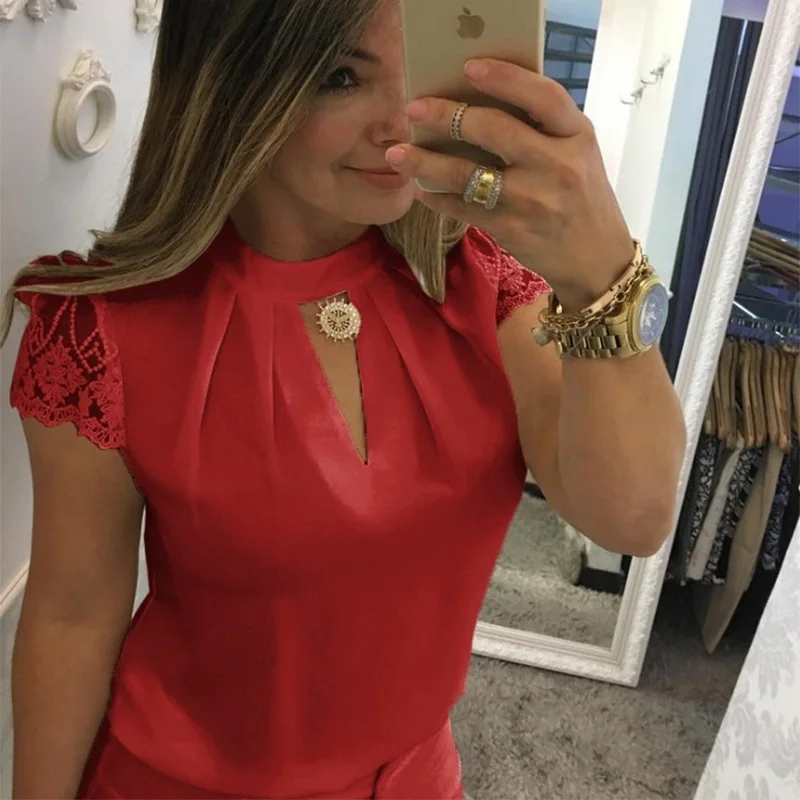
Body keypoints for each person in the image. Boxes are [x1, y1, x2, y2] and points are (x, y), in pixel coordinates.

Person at [4, 1, 686, 798]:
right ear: (233, 84)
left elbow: (633, 518)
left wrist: (601, 267)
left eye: (419, 73)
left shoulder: (480, 283)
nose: (400, 126)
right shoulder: (103, 338)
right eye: (340, 77)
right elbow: (72, 618)